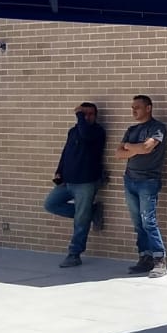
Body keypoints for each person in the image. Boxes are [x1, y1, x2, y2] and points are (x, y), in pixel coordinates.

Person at [43, 101, 107, 267]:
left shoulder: (97, 132)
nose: (87, 117)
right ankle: (91, 212)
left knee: (80, 220)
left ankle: (74, 254)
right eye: (84, 114)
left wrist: (79, 115)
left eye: (91, 114)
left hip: (86, 181)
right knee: (51, 204)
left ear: (96, 116)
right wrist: (59, 171)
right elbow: (66, 152)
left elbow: (85, 134)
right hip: (68, 181)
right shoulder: (73, 131)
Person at [117, 94, 167, 277]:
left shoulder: (157, 128)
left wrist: (130, 147)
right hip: (130, 180)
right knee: (138, 223)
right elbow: (119, 153)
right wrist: (135, 148)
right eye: (132, 108)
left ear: (148, 108)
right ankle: (144, 258)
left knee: (149, 222)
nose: (134, 111)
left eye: (137, 107)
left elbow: (147, 148)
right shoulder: (131, 129)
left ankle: (159, 261)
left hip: (148, 181)